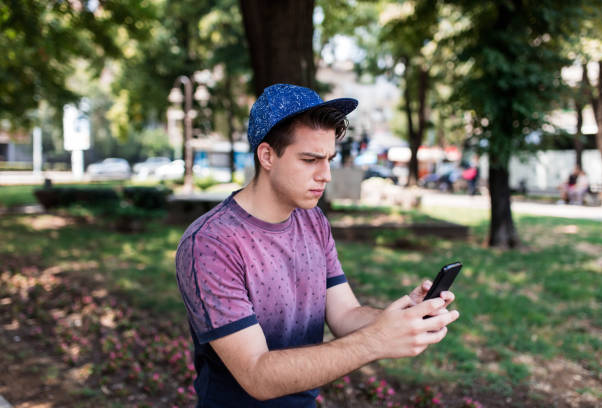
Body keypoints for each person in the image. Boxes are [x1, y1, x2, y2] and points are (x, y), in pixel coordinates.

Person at [175, 83, 460, 407]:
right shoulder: (211, 244)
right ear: (267, 155)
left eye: (329, 159)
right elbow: (257, 375)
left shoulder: (313, 221)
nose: (325, 175)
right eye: (310, 159)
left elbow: (345, 315)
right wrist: (375, 342)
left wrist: (398, 318)